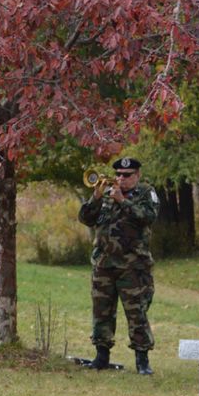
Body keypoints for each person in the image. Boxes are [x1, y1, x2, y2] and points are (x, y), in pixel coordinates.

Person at [77, 157, 159, 375]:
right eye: (119, 175)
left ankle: (142, 360)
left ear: (137, 175)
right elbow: (86, 218)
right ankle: (101, 356)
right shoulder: (106, 192)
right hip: (103, 263)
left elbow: (148, 217)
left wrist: (123, 200)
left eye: (127, 175)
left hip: (133, 265)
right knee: (101, 311)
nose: (121, 179)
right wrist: (95, 198)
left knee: (136, 313)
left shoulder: (145, 193)